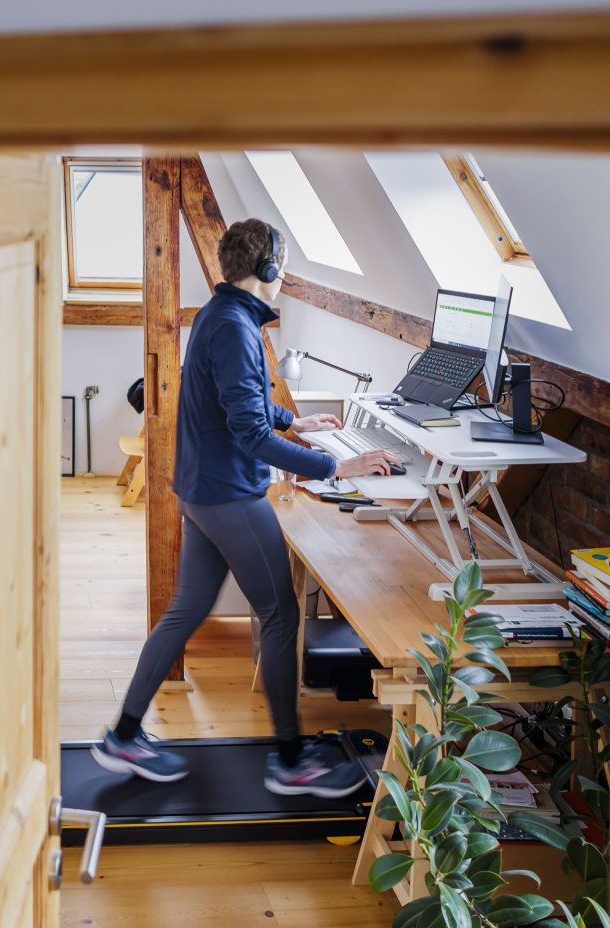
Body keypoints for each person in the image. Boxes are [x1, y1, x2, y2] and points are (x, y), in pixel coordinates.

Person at [92, 219, 398, 796]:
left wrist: (295, 420)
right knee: (281, 613)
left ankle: (124, 735)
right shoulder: (234, 327)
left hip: (202, 489)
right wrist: (340, 468)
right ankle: (289, 761)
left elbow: (241, 398)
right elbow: (250, 432)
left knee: (186, 609)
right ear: (270, 270)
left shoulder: (223, 315)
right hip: (229, 493)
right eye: (282, 267)